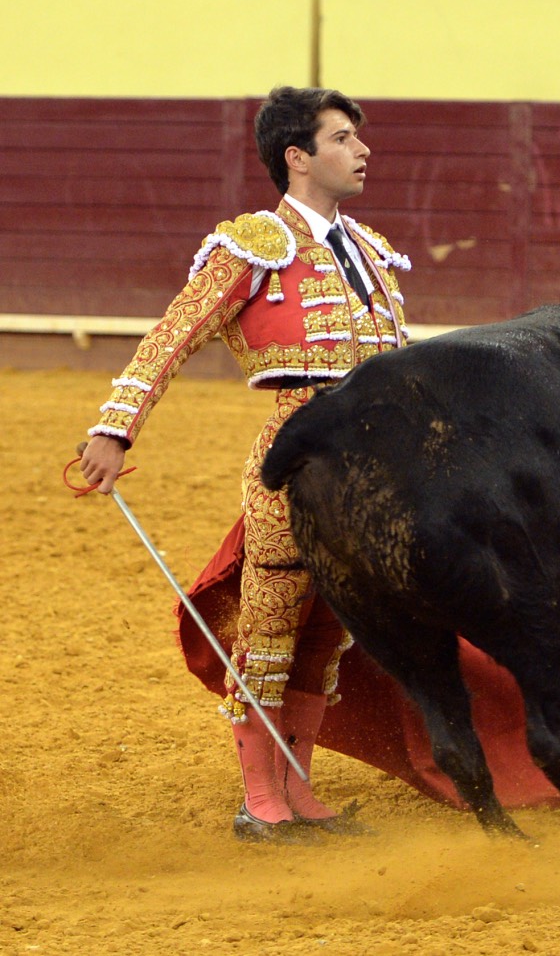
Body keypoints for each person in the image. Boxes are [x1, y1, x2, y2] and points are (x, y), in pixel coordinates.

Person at [80, 86, 412, 843]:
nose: (362, 150)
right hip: (295, 459)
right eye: (342, 139)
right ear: (297, 157)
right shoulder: (254, 244)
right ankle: (260, 799)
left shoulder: (371, 252)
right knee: (271, 624)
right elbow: (175, 332)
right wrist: (114, 428)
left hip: (377, 464)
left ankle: (300, 788)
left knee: (329, 631)